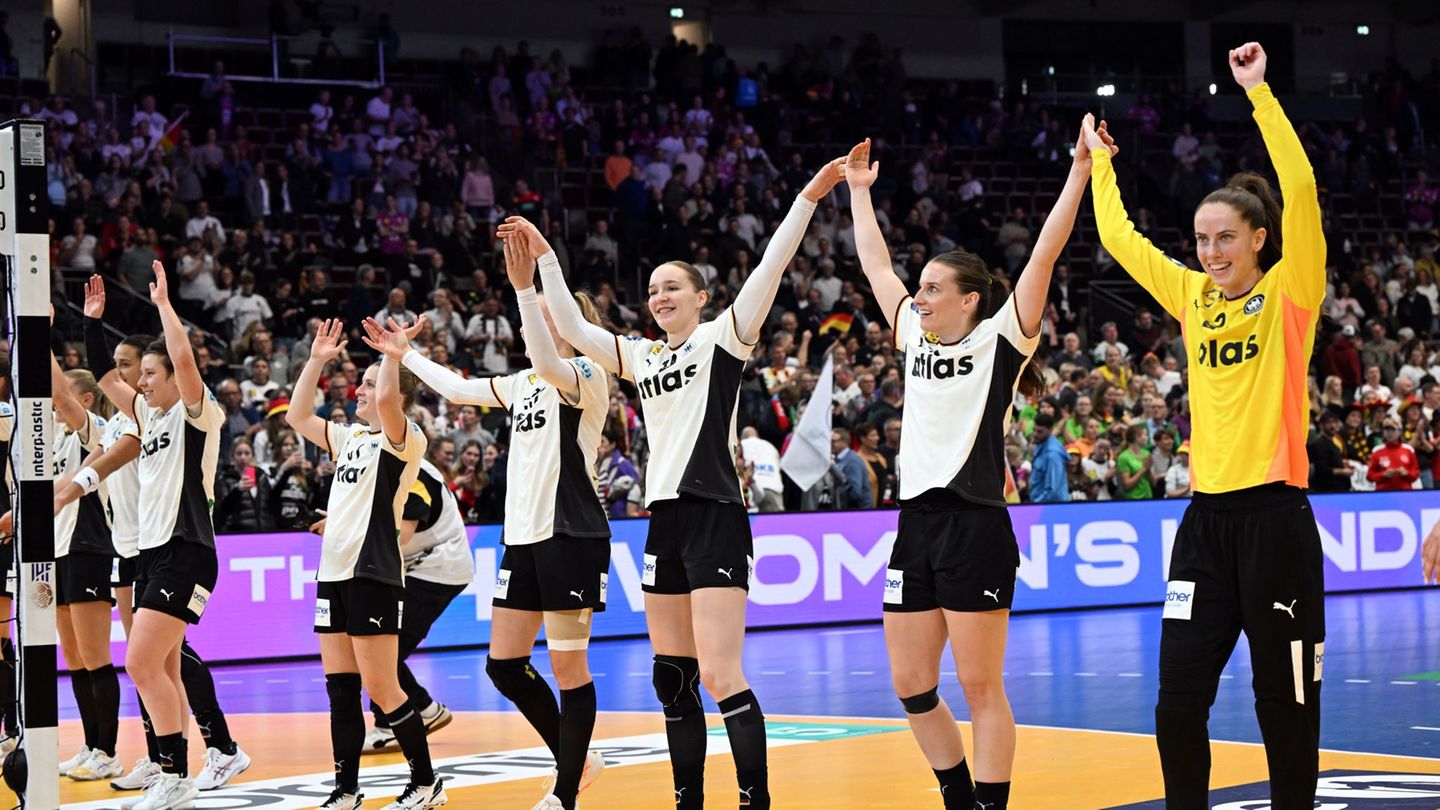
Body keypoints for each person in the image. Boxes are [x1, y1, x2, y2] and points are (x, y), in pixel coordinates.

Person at [522, 147, 851, 810]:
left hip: (715, 516)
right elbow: (571, 325)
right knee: (672, 678)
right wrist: (545, 260)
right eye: (652, 291)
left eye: (673, 287)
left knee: (723, 673)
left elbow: (772, 263)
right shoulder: (640, 358)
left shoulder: (725, 337)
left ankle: (753, 799)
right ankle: (687, 800)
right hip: (664, 520)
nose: (660, 297)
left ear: (701, 298)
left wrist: (809, 197)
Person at [1089, 42, 1326, 809]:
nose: (1210, 251)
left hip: (1277, 522)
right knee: (1176, 701)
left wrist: (1259, 94)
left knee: (1284, 706)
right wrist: (1099, 163)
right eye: (1201, 239)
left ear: (1260, 238)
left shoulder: (1292, 293)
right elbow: (1122, 241)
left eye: (1226, 237)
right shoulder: (1193, 298)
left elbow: (1301, 187)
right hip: (1205, 525)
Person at [847, 119, 1090, 810]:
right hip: (915, 527)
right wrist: (860, 192)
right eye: (916, 288)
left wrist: (1077, 173)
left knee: (982, 688)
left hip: (976, 525)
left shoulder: (1001, 340)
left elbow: (1042, 257)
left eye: (930, 288)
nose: (917, 297)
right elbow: (874, 265)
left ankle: (991, 804)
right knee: (912, 686)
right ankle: (958, 796)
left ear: (969, 298)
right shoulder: (913, 340)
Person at [371, 225, 614, 810]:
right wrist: (408, 356)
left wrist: (527, 292)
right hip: (524, 538)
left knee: (568, 668)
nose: (548, 329)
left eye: (557, 320)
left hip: (570, 535)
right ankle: (578, 755)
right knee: (504, 665)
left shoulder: (585, 376)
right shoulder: (524, 383)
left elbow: (548, 359)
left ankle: (566, 790)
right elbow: (457, 391)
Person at [57, 324, 250, 794]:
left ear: (172, 377)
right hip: (149, 553)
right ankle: (171, 768)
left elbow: (184, 364)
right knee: (160, 667)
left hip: (187, 551)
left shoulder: (197, 414)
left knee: (145, 662)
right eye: (136, 373)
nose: (139, 383)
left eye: (147, 373)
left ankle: (179, 771)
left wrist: (165, 309)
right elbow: (104, 378)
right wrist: (90, 319)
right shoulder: (146, 417)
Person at [285, 319, 443, 810]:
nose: (360, 389)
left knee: (381, 685)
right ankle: (347, 789)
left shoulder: (405, 437)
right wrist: (315, 361)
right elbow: (296, 416)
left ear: (392, 392)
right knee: (340, 689)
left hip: (373, 571)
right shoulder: (351, 437)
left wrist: (393, 357)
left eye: (369, 384)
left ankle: (425, 782)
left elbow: (393, 403)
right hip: (334, 573)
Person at [349, 456, 469, 754]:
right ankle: (424, 709)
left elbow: (403, 532)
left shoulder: (411, 469)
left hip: (438, 567)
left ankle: (392, 722)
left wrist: (351, 534)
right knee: (377, 647)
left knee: (381, 647)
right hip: (413, 568)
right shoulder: (378, 468)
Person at [46, 359, 122, 782]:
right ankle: (92, 745)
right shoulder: (54, 438)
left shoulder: (92, 428)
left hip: (87, 547)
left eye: (63, 405)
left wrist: (41, 332)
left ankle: (108, 750)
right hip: (58, 551)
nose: (56, 410)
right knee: (74, 658)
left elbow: (60, 393)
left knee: (95, 658)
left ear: (87, 400)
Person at [1366, 417, 1419, 491]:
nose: (1389, 433)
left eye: (1393, 430)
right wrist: (1383, 474)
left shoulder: (1408, 450)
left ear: (1400, 432)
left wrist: (1406, 473)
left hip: (1404, 493)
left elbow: (1416, 474)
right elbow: (1369, 476)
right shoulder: (1377, 450)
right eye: (1387, 430)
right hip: (1383, 493)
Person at [1027, 413, 1070, 503]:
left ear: (1050, 430)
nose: (1035, 434)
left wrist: (1034, 505)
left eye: (1040, 431)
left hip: (1050, 508)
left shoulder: (1053, 455)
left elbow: (1052, 489)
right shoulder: (1040, 446)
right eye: (1034, 430)